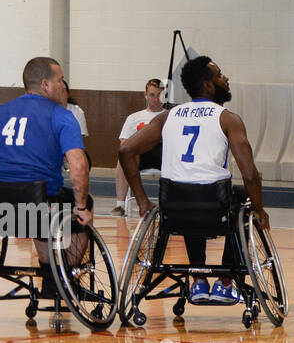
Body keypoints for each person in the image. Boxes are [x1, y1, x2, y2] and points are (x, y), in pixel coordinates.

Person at [119, 55, 267, 304]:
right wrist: (261, 210)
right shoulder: (227, 119)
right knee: (241, 201)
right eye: (220, 74)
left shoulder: (168, 116)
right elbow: (250, 174)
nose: (226, 78)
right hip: (214, 206)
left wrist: (143, 200)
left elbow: (125, 151)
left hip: (173, 207)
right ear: (208, 85)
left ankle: (198, 280)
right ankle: (226, 281)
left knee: (187, 191)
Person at [0, 57, 93, 295]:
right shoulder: (61, 115)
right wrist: (81, 205)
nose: (63, 85)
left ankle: (49, 276)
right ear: (46, 84)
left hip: (0, 209)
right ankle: (63, 279)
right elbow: (78, 165)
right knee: (75, 209)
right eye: (60, 80)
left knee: (40, 207)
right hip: (39, 208)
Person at [114, 78, 168, 217]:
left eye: (159, 95)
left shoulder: (169, 116)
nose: (156, 99)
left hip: (165, 156)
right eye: (152, 95)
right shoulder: (134, 118)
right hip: (141, 156)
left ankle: (174, 204)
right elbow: (124, 143)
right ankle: (119, 205)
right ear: (145, 95)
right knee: (123, 159)